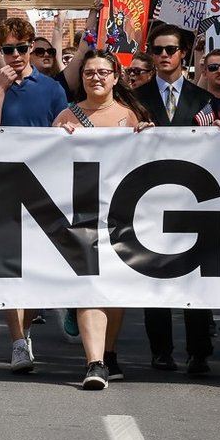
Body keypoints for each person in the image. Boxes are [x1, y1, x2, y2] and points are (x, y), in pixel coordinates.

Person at [0, 14, 70, 374]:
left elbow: (63, 125)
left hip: (43, 188)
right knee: (8, 269)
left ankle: (26, 328)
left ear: (31, 47)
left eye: (20, 48)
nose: (14, 55)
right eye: (7, 49)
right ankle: (17, 341)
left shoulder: (51, 88)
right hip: (2, 184)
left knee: (35, 271)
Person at [52, 52, 152, 389]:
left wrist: (148, 137)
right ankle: (94, 362)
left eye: (103, 72)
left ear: (115, 76)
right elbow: (47, 163)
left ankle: (108, 353)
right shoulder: (67, 115)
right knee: (88, 286)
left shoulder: (131, 115)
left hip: (123, 216)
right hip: (81, 215)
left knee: (114, 289)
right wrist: (57, 138)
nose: (96, 78)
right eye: (89, 72)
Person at [131, 24, 217, 378]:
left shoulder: (202, 100)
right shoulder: (136, 97)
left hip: (193, 201)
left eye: (170, 49)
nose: (164, 55)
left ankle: (199, 352)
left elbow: (216, 147)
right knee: (157, 279)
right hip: (150, 201)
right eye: (157, 50)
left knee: (195, 280)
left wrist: (219, 131)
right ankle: (161, 351)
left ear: (184, 54)